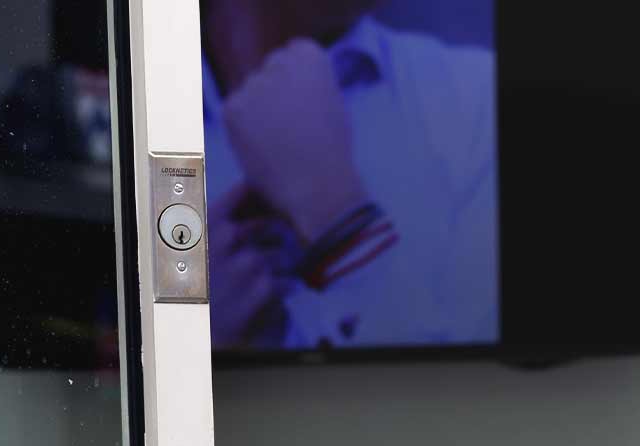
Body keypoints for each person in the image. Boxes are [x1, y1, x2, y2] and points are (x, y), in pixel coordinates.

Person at [201, 0, 498, 350]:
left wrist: (343, 226)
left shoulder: (479, 103)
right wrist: (189, 346)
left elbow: (490, 394)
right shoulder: (131, 125)